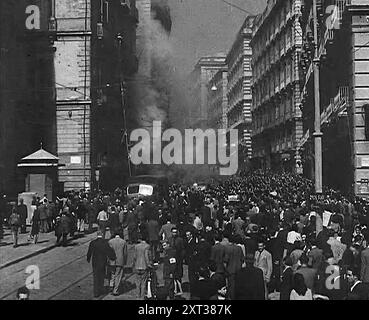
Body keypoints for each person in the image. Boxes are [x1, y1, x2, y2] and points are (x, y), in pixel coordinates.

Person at [87, 231, 116, 298]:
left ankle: (96, 292)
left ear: (97, 235)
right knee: (102, 276)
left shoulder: (93, 242)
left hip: (95, 262)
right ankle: (100, 289)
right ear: (102, 235)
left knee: (96, 277)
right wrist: (113, 257)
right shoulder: (105, 243)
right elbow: (109, 251)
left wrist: (88, 259)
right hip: (103, 262)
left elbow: (89, 252)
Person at [132, 234, 151, 299]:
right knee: (143, 283)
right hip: (144, 266)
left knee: (137, 283)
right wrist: (149, 264)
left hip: (137, 266)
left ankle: (138, 296)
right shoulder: (147, 246)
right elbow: (147, 257)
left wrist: (133, 265)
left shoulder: (136, 246)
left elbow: (134, 257)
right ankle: (142, 297)